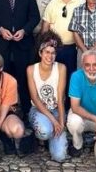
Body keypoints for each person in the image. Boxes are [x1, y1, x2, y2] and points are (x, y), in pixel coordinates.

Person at [41, 0, 84, 99]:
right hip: (55, 49)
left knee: (72, 78)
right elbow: (45, 27)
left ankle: (71, 106)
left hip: (74, 49)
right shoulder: (52, 4)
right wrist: (45, 46)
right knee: (56, 78)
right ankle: (55, 104)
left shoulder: (81, 2)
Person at [26, 31, 67, 162]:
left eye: (53, 53)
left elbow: (60, 98)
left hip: (55, 110)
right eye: (47, 52)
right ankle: (41, 137)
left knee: (59, 157)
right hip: (38, 110)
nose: (50, 56)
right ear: (40, 53)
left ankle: (53, 139)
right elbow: (35, 99)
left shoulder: (61, 68)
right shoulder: (31, 69)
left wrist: (60, 122)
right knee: (45, 131)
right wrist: (54, 122)